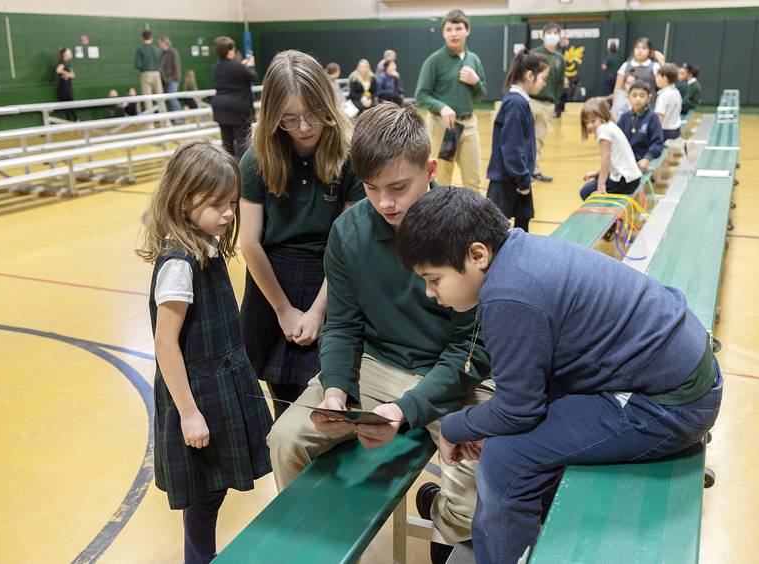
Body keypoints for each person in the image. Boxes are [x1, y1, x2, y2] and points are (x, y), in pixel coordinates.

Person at [395, 186, 723, 564]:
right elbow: (533, 390)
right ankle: (532, 526)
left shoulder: (507, 297)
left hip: (671, 403)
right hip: (670, 374)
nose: (430, 292)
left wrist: (455, 426)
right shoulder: (520, 251)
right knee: (521, 437)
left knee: (505, 460)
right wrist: (494, 422)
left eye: (434, 279)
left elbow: (519, 410)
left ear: (477, 255)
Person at [266, 103, 494, 564]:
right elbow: (344, 326)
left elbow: (472, 349)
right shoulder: (347, 233)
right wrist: (334, 390)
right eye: (372, 189)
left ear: (430, 170)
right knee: (286, 439)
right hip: (377, 367)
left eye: (398, 187)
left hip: (456, 376)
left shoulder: (465, 225)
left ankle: (445, 535)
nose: (386, 203)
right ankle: (321, 547)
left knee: (475, 473)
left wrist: (407, 408)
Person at [136, 140, 273, 564]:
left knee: (211, 493)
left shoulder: (205, 248)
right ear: (182, 202)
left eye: (231, 202)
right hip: (198, 394)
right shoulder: (179, 263)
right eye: (215, 204)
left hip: (222, 384)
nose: (229, 213)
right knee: (202, 500)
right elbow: (165, 344)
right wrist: (189, 413)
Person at [238, 50, 365, 420]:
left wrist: (317, 312)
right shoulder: (256, 160)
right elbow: (249, 243)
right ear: (273, 117)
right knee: (285, 402)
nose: (305, 127)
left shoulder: (348, 155)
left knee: (332, 394)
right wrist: (284, 311)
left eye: (313, 115)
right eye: (291, 120)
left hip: (332, 277)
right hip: (272, 285)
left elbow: (348, 245)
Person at [415, 9, 487, 193]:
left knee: (474, 181)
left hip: (469, 125)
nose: (454, 33)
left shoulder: (474, 60)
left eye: (458, 28)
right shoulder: (435, 61)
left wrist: (476, 82)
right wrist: (442, 107)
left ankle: (475, 221)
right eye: (449, 29)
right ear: (443, 32)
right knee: (441, 181)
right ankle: (441, 221)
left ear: (467, 30)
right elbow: (421, 95)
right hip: (444, 127)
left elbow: (481, 96)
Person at [486, 51, 549, 233]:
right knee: (494, 232)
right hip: (507, 180)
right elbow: (512, 147)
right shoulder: (515, 103)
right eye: (543, 78)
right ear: (530, 75)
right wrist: (522, 179)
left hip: (517, 178)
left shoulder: (520, 101)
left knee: (523, 222)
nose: (544, 83)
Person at [579, 97, 641, 200]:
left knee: (586, 192)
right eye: (586, 122)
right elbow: (614, 160)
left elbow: (606, 158)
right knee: (590, 187)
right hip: (632, 179)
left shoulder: (603, 130)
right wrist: (598, 173)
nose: (589, 125)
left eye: (593, 121)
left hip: (625, 181)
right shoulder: (610, 125)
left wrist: (601, 186)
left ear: (602, 117)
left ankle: (609, 215)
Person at [528, 22, 565, 183]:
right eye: (548, 32)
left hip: (547, 104)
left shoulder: (560, 58)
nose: (552, 35)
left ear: (559, 36)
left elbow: (559, 82)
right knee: (525, 137)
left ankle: (534, 170)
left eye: (555, 32)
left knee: (539, 138)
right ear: (543, 35)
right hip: (530, 100)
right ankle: (523, 172)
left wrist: (554, 100)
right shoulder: (534, 54)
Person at [211, 35, 257, 158]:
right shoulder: (237, 66)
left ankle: (227, 172)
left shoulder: (216, 66)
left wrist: (242, 66)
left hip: (220, 108)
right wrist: (251, 66)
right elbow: (252, 76)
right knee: (243, 143)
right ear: (228, 51)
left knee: (227, 144)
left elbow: (233, 72)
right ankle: (243, 172)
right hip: (238, 108)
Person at [617, 79, 664, 173]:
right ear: (628, 97)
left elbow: (657, 143)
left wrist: (647, 158)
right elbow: (616, 142)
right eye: (634, 95)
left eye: (642, 96)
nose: (637, 99)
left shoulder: (652, 117)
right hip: (624, 163)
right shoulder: (624, 117)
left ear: (649, 98)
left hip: (642, 162)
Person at [134, 30, 167, 115]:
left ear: (142, 38)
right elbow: (161, 63)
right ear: (151, 38)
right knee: (160, 98)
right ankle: (165, 121)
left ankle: (150, 124)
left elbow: (138, 64)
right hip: (156, 73)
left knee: (148, 99)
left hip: (145, 74)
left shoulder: (140, 49)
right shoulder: (156, 49)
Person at [654, 63, 683, 140]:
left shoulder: (664, 96)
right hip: (676, 130)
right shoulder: (676, 92)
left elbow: (659, 118)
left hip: (665, 132)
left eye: (658, 76)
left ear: (665, 78)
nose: (656, 78)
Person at [158, 36, 183, 113]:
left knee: (172, 98)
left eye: (159, 43)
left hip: (173, 80)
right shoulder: (162, 54)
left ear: (164, 43)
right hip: (165, 81)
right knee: (168, 100)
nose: (158, 45)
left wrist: (171, 79)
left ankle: (180, 117)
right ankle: (173, 118)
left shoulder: (173, 52)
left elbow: (177, 68)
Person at [55, 48, 78, 122]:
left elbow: (73, 75)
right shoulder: (62, 63)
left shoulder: (68, 64)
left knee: (71, 105)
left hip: (68, 88)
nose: (71, 54)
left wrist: (67, 73)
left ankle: (75, 119)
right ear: (65, 54)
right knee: (68, 106)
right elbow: (58, 70)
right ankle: (73, 120)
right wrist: (65, 73)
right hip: (63, 89)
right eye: (69, 52)